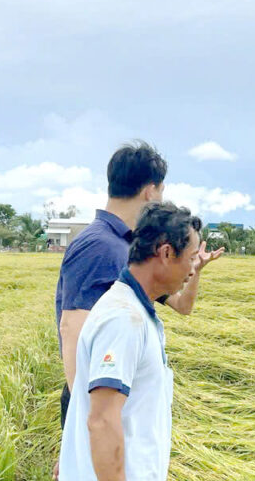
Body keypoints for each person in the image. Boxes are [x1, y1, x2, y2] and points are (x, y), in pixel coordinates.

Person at [59, 202, 201, 481]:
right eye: (191, 256)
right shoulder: (123, 319)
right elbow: (101, 421)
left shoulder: (140, 310)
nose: (192, 268)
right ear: (165, 252)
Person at [55, 140, 223, 431]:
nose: (160, 198)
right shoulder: (99, 245)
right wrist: (86, 423)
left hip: (112, 396)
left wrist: (194, 270)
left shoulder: (131, 246)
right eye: (161, 191)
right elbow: (71, 329)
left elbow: (182, 306)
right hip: (95, 401)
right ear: (150, 190)